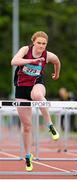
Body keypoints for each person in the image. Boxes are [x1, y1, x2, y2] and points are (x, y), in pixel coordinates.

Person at [11, 31, 61, 172]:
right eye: (39, 43)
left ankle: (50, 125)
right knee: (27, 126)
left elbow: (57, 61)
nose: (41, 46)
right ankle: (28, 155)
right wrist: (31, 61)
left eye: (44, 44)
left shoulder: (48, 55)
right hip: (21, 89)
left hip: (36, 85)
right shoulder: (25, 50)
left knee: (39, 96)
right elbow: (13, 61)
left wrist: (56, 74)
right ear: (34, 42)